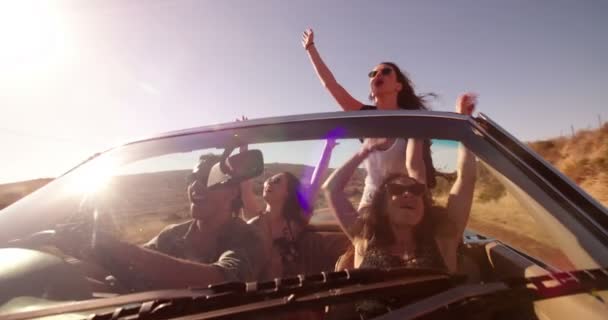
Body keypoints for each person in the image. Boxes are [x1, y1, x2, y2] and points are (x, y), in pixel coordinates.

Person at [54, 153, 267, 290]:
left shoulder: (248, 238)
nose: (194, 187)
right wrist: (69, 267)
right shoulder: (172, 234)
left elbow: (221, 281)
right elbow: (128, 267)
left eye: (204, 180)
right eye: (191, 180)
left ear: (231, 193)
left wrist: (116, 247)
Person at [324, 93, 478, 274]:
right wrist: (364, 150)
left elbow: (466, 178)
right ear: (381, 206)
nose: (408, 194)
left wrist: (462, 123)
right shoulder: (364, 238)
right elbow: (331, 189)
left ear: (424, 204)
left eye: (416, 189)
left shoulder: (444, 239)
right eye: (397, 189)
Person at [301, 28, 437, 210]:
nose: (377, 75)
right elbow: (330, 85)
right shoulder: (365, 116)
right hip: (370, 205)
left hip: (405, 200)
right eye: (373, 74)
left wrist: (421, 204)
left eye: (385, 71)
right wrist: (311, 48)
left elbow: (416, 168)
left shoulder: (411, 119)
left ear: (398, 86)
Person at [240, 139, 349, 279]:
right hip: (260, 292)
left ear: (288, 192)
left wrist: (327, 149)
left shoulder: (295, 223)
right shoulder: (254, 218)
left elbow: (315, 183)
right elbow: (245, 186)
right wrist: (243, 147)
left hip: (295, 290)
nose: (269, 183)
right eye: (269, 180)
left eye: (277, 181)